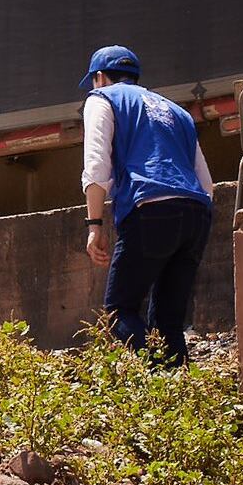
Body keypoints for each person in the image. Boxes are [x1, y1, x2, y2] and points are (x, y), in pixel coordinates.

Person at [79, 45, 215, 365]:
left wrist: (94, 224)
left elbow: (96, 165)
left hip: (149, 207)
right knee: (168, 322)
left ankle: (163, 382)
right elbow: (206, 182)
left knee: (119, 311)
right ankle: (183, 396)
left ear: (99, 77)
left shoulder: (102, 98)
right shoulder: (177, 111)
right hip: (196, 214)